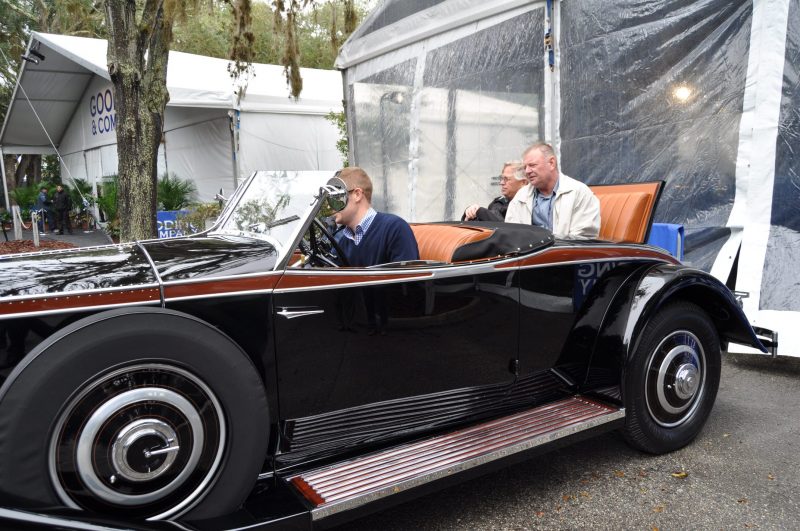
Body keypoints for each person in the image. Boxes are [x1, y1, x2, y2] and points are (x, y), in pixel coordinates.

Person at [505, 143, 600, 239]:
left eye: (532, 165)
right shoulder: (521, 197)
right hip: (530, 253)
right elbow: (511, 236)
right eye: (525, 167)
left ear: (551, 163)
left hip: (565, 253)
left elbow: (583, 239)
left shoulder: (579, 192)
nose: (527, 171)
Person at [333, 167, 419, 266]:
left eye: (337, 197)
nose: (329, 205)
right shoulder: (342, 241)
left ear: (357, 194)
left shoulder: (395, 228)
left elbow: (407, 279)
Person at [462, 161, 527, 222]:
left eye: (506, 179)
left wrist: (481, 212)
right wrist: (470, 211)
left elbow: (508, 228)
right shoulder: (497, 202)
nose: (501, 183)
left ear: (523, 182)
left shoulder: (529, 204)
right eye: (501, 178)